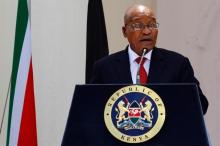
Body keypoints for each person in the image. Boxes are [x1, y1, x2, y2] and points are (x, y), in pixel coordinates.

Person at [90, 4, 208, 114]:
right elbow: (91, 108)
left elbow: (200, 106)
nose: (147, 31)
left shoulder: (177, 64)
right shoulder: (105, 67)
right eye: (138, 25)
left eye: (152, 25)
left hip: (166, 135)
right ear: (124, 31)